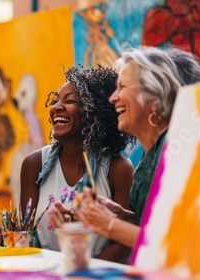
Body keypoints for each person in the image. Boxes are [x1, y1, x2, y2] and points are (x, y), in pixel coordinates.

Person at [51, 47, 200, 249]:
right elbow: (155, 225)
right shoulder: (152, 157)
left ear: (154, 99)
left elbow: (175, 245)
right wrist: (116, 214)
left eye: (122, 87)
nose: (113, 98)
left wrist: (109, 224)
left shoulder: (175, 156)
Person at [20, 66, 135, 262]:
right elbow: (26, 235)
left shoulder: (118, 169)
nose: (56, 107)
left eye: (69, 100)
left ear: (94, 111)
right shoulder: (34, 165)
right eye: (55, 101)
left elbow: (123, 242)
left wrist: (83, 272)